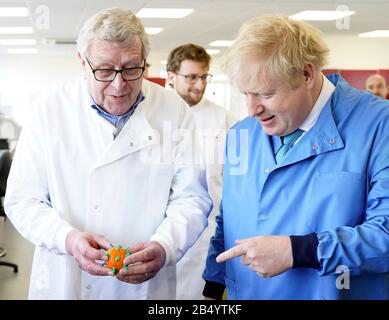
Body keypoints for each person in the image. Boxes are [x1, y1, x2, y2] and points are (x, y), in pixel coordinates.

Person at [4, 7, 212, 300]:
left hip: (145, 287)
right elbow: (23, 200)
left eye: (131, 68)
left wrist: (165, 245)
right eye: (103, 70)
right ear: (82, 62)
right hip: (67, 279)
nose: (119, 85)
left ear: (145, 63)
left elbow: (192, 197)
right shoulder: (50, 109)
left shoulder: (172, 110)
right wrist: (67, 239)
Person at [202, 14, 389, 300]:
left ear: (306, 74)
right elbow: (231, 214)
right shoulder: (242, 133)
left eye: (265, 94)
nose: (252, 109)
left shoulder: (379, 125)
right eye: (246, 94)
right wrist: (213, 284)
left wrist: (299, 251)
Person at [166, 43, 237, 299]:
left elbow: (238, 182)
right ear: (171, 77)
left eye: (204, 76)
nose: (199, 84)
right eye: (191, 77)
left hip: (206, 235)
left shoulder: (225, 120)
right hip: (158, 231)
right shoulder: (151, 116)